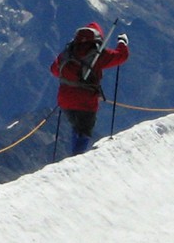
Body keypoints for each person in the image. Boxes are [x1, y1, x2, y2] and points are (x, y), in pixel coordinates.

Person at [51, 22, 130, 156]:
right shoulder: (97, 54)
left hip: (64, 99)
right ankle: (77, 158)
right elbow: (121, 57)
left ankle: (75, 153)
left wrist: (73, 75)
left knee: (76, 126)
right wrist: (122, 43)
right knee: (84, 130)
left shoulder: (68, 52)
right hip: (86, 102)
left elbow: (54, 70)